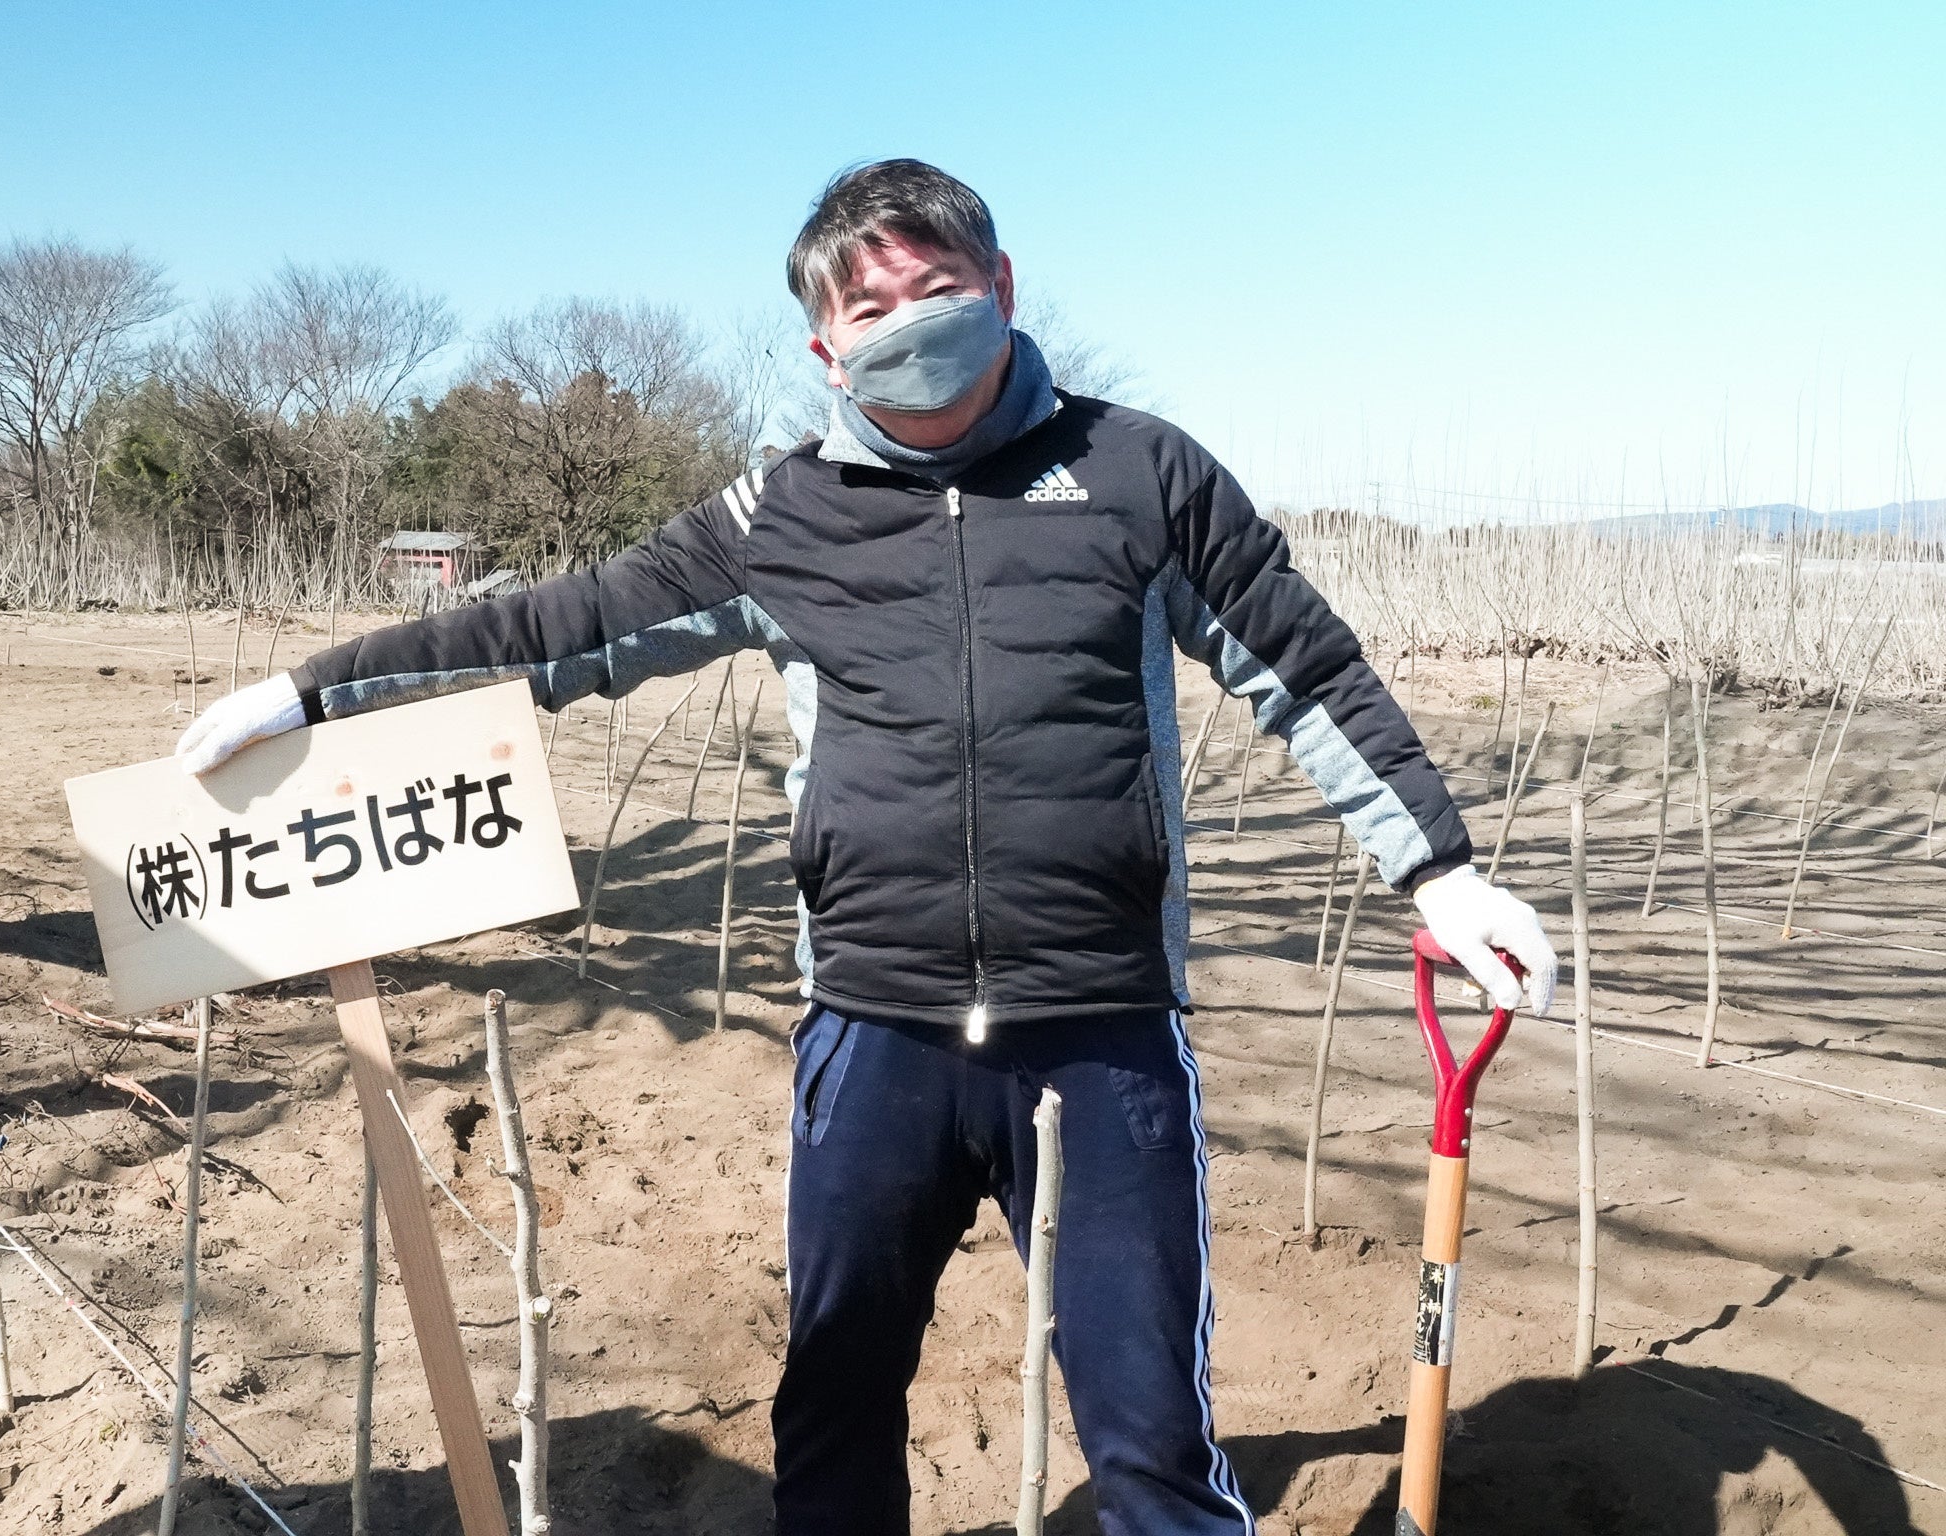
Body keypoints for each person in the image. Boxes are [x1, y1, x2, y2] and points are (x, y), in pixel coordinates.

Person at [179, 158, 1557, 1536]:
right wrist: (317, 692)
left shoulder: (1140, 473)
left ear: (1000, 286)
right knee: (836, 1409)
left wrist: (1441, 871)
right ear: (824, 347)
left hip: (1104, 1030)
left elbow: (1304, 670)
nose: (909, 322)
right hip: (874, 1032)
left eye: (936, 287)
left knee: (1149, 1433)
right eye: (870, 307)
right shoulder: (781, 515)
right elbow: (565, 628)